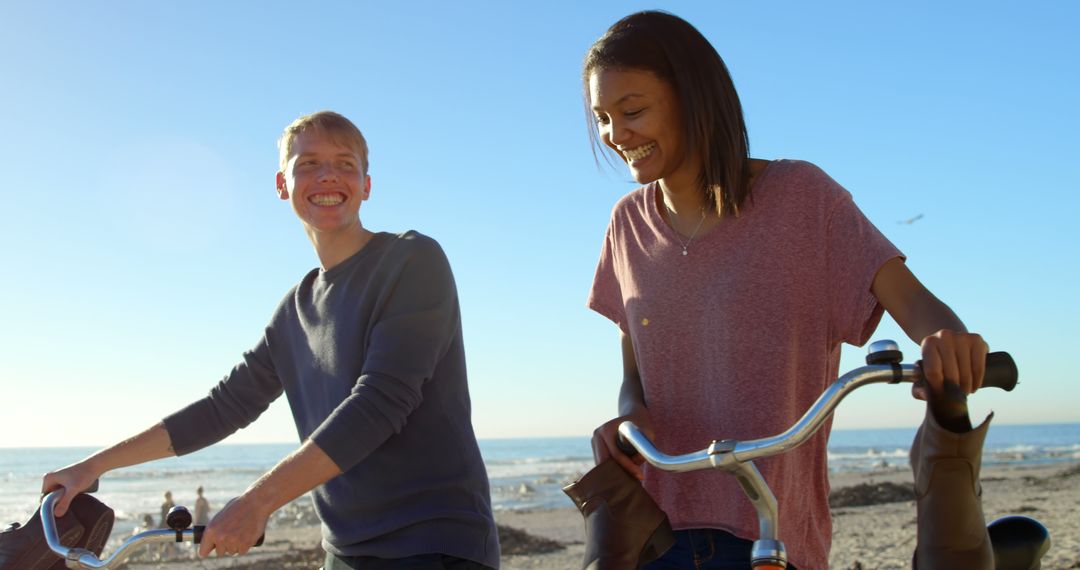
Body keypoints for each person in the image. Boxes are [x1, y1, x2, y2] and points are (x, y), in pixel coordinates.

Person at [582, 11, 994, 570]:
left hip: (772, 530)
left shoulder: (801, 197)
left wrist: (947, 339)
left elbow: (915, 302)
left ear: (694, 97)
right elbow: (637, 380)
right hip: (657, 535)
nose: (615, 135)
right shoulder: (626, 224)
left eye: (632, 111)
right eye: (602, 118)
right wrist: (629, 422)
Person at [42, 111, 500, 569]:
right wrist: (93, 467)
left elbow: (379, 403)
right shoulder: (294, 310)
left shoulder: (412, 260)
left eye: (345, 164)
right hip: (345, 551)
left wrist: (258, 502)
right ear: (282, 184)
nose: (327, 176)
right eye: (308, 164)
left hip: (433, 544)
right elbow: (224, 406)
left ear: (366, 185)